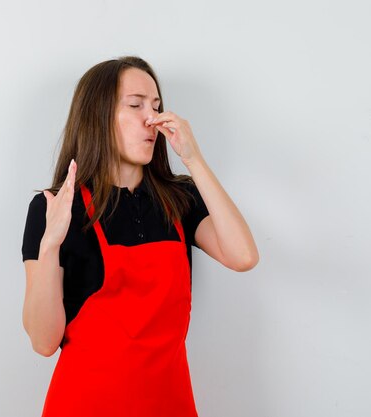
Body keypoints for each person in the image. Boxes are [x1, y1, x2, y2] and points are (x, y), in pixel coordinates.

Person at [21, 56, 259, 417]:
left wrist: (193, 159)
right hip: (84, 405)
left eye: (157, 106)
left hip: (169, 405)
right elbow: (43, 341)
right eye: (135, 105)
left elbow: (243, 257)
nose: (152, 118)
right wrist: (50, 244)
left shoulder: (180, 199)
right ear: (97, 116)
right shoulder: (55, 208)